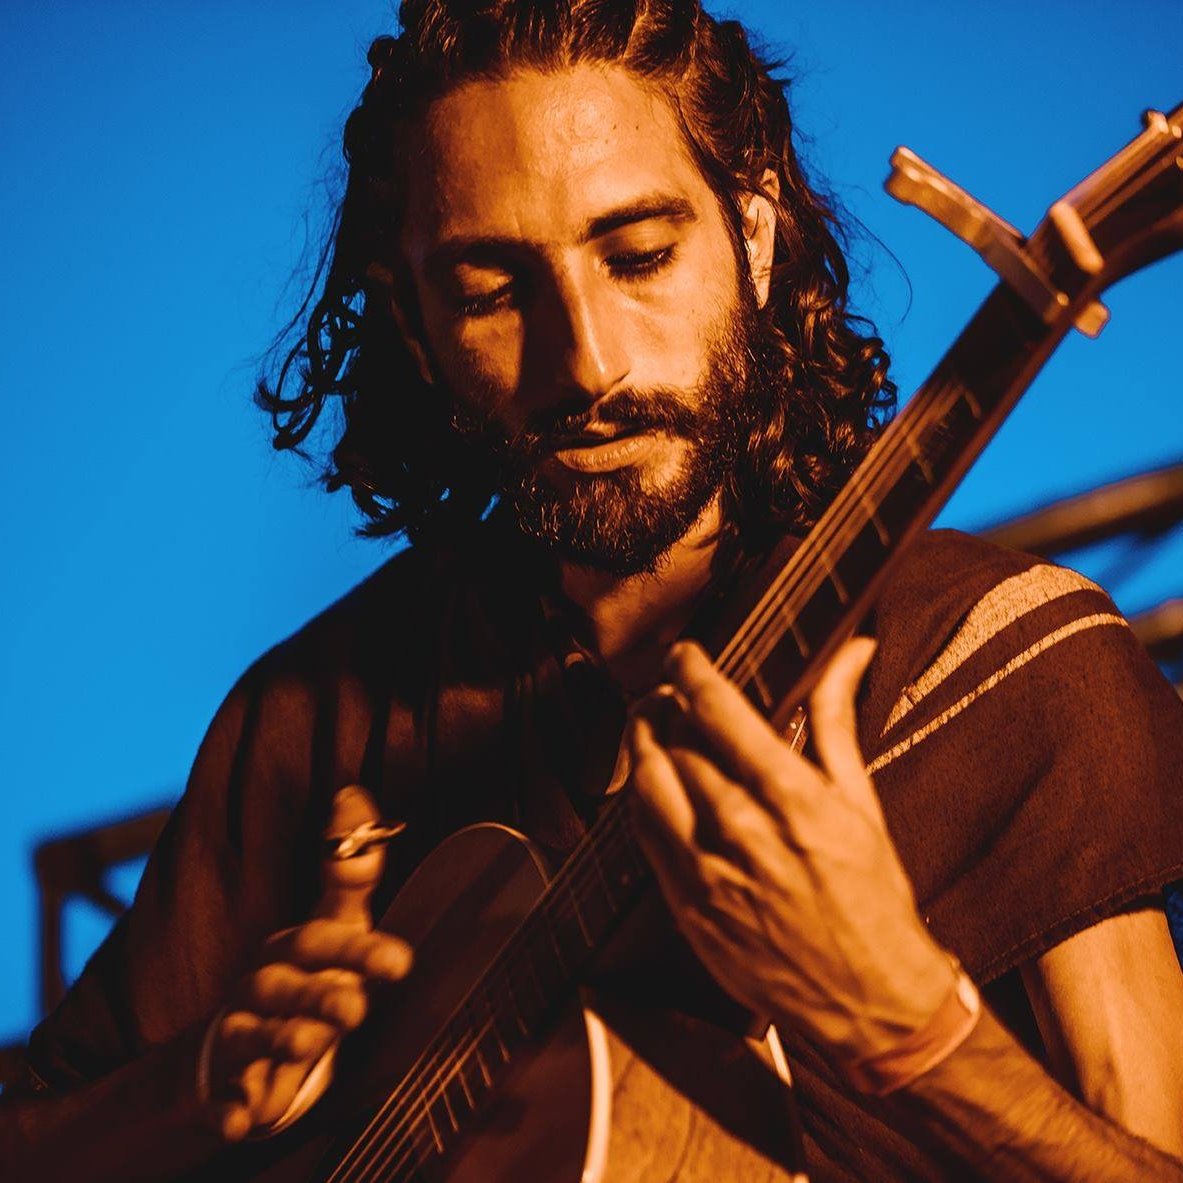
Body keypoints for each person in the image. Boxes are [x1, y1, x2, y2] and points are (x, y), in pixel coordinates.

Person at [4, 1, 1183, 1179]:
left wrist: (912, 1031)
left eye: (638, 256)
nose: (587, 362)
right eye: (488, 292)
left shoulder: (1001, 664)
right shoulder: (322, 718)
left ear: (754, 239)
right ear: (412, 326)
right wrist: (192, 1086)